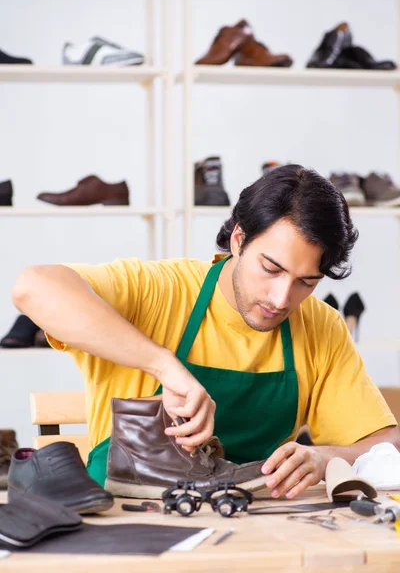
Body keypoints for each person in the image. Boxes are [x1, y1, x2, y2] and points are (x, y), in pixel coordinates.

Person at [12, 164, 399, 498]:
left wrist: (329, 455)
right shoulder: (158, 290)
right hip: (128, 523)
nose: (282, 298)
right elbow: (32, 287)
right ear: (238, 239)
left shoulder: (320, 326)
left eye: (306, 281)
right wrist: (163, 365)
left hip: (256, 527)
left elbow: (388, 445)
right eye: (271, 268)